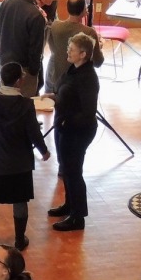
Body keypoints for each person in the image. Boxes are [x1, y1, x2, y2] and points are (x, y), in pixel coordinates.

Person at [0, 62, 50, 253]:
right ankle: (19, 240)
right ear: (18, 81)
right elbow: (34, 133)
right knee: (20, 200)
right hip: (19, 164)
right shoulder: (26, 104)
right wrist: (44, 151)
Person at [51, 33, 99, 232]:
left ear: (83, 54)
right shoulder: (74, 69)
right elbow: (64, 90)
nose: (67, 51)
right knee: (67, 169)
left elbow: (87, 112)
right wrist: (52, 96)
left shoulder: (88, 77)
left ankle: (78, 217)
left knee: (73, 172)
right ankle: (69, 205)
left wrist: (65, 119)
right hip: (66, 127)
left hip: (78, 131)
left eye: (71, 49)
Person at [0, 0, 47, 98]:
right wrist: (34, 72)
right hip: (24, 71)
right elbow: (36, 49)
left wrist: (1, 53)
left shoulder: (7, 2)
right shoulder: (36, 15)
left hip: (4, 64)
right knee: (24, 105)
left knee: (6, 100)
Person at [46, 0, 104, 94]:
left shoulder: (55, 26)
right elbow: (98, 62)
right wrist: (100, 45)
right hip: (78, 83)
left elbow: (54, 50)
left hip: (55, 78)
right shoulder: (89, 32)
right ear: (83, 10)